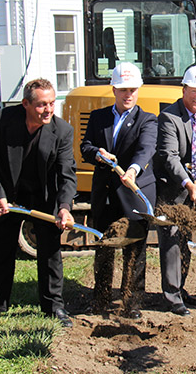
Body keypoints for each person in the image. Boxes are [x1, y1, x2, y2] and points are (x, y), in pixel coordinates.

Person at [0, 78, 76, 327]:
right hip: (7, 196)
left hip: (43, 196)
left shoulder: (62, 130)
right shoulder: (2, 121)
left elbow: (66, 173)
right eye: (42, 105)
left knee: (50, 252)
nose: (49, 110)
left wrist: (64, 206)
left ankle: (53, 306)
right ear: (25, 104)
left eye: (52, 103)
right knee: (1, 250)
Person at [80, 63, 157, 320]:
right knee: (104, 246)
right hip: (104, 193)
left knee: (134, 249)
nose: (128, 95)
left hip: (133, 193)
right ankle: (100, 299)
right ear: (114, 89)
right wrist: (98, 155)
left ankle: (131, 303)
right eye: (123, 90)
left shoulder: (147, 120)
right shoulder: (98, 117)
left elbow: (145, 149)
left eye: (133, 90)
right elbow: (86, 146)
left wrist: (133, 170)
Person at [154, 65, 196, 316]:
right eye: (195, 92)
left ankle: (181, 288)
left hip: (195, 187)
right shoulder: (169, 116)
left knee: (186, 239)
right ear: (184, 90)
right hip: (173, 188)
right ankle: (171, 296)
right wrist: (188, 183)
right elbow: (168, 156)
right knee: (171, 240)